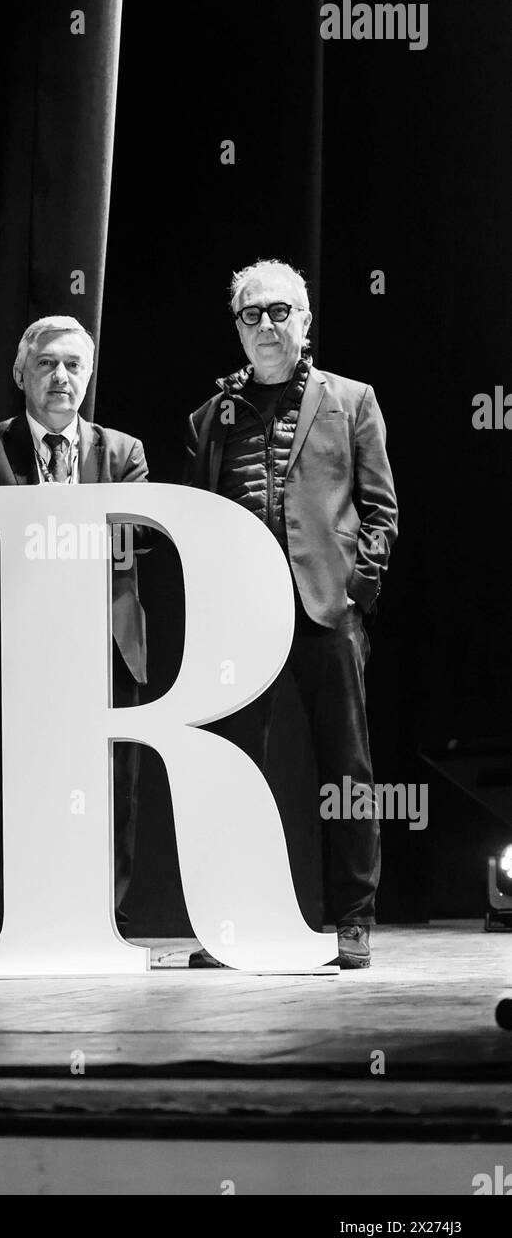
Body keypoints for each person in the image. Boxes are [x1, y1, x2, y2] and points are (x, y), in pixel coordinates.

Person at [185, 259, 398, 969]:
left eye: (280, 312)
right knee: (234, 769)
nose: (267, 325)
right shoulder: (207, 417)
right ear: (237, 329)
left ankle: (354, 920)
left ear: (304, 324)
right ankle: (233, 926)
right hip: (243, 618)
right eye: (253, 315)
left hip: (323, 611)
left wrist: (354, 593)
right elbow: (201, 518)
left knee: (348, 770)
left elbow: (381, 510)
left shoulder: (352, 399)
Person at [0, 316, 150, 941]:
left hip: (105, 644)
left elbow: (135, 536)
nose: (61, 377)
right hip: (21, 645)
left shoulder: (123, 454)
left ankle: (109, 922)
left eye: (73, 365)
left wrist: (57, 529)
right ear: (21, 374)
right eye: (46, 364)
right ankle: (22, 920)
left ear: (88, 375)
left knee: (112, 788)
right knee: (18, 784)